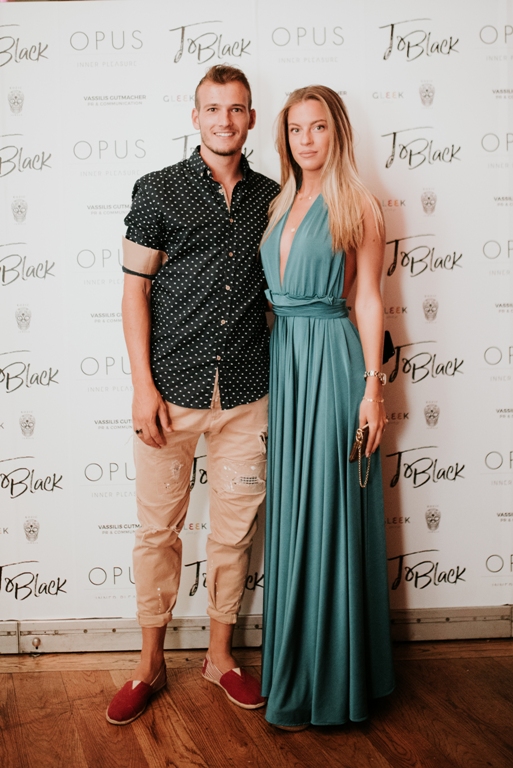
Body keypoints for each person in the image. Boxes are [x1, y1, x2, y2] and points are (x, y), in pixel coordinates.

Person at [106, 64, 279, 725]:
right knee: (158, 533)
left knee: (233, 534)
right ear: (195, 116)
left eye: (236, 109)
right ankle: (148, 664)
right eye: (213, 109)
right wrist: (141, 388)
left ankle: (219, 657)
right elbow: (134, 293)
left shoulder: (274, 198)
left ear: (251, 118)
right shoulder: (157, 190)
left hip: (247, 393)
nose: (224, 120)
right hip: (169, 394)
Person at [259, 85, 395, 730]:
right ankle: (296, 668)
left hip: (333, 363)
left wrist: (372, 389)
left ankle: (337, 679)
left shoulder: (357, 203)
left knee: (331, 508)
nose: (306, 140)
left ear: (337, 131)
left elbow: (367, 297)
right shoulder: (279, 201)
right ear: (284, 138)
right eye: (295, 129)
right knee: (294, 509)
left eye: (317, 127)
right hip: (284, 362)